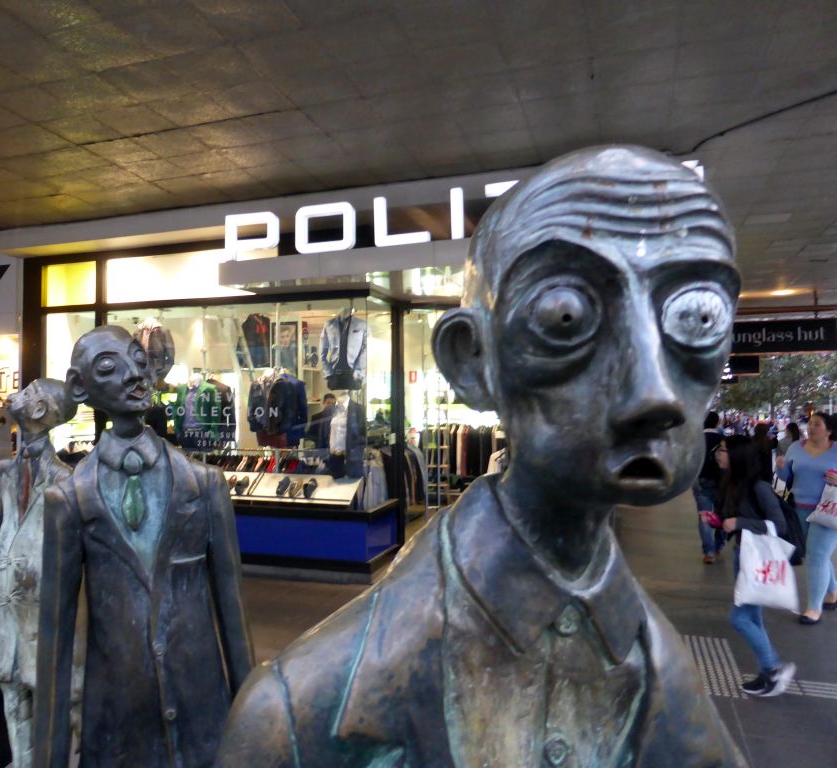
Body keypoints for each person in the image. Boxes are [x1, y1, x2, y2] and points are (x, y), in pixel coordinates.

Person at [216, 146, 748, 767]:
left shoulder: (663, 672)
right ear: (472, 361)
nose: (652, 391)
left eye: (697, 313)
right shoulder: (297, 716)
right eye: (566, 314)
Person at [34, 325, 253, 768]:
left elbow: (236, 625)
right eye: (110, 367)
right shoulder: (70, 500)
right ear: (80, 387)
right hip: (114, 728)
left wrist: (255, 738)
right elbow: (54, 647)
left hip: (202, 719)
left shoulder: (205, 485)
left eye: (139, 359)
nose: (134, 374)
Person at [0, 378, 80, 767]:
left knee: (53, 710)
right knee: (12, 704)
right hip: (6, 617)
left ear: (38, 411)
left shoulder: (67, 481)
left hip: (45, 617)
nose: (19, 391)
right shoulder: (3, 472)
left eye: (30, 390)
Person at [715, 436, 796, 696]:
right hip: (745, 555)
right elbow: (738, 520)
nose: (719, 453)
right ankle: (766, 673)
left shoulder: (759, 487)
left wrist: (738, 523)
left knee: (739, 618)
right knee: (752, 617)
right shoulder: (732, 483)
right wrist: (719, 522)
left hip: (757, 560)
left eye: (724, 450)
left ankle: (774, 668)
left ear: (738, 456)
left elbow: (778, 525)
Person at [776, 411, 837, 624]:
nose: (811, 428)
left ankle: (814, 608)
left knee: (816, 557)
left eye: (817, 424)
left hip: (829, 511)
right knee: (818, 555)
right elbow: (786, 477)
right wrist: (780, 466)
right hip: (799, 508)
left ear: (829, 430)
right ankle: (833, 592)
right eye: (810, 424)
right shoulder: (795, 448)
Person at [694, 411, 726, 564]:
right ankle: (719, 544)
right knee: (722, 513)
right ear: (717, 422)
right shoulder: (722, 440)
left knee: (704, 515)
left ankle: (709, 551)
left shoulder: (696, 440)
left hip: (700, 480)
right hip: (720, 482)